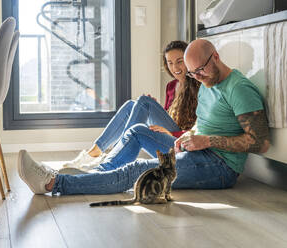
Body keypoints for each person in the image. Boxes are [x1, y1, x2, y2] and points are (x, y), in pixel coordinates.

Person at [17, 39, 270, 195]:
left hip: (220, 167)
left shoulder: (239, 89)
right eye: (193, 74)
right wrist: (190, 136)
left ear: (216, 57)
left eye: (200, 70)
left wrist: (208, 141)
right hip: (196, 149)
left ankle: (54, 183)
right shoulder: (204, 83)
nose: (197, 77)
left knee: (138, 170)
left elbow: (260, 142)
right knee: (136, 131)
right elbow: (202, 125)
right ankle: (87, 172)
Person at [62, 40, 201, 170]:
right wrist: (156, 110)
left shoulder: (199, 87)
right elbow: (170, 117)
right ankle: (93, 153)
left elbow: (199, 128)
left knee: (144, 102)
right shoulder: (171, 86)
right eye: (170, 63)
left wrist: (171, 132)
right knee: (131, 105)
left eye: (179, 61)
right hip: (168, 134)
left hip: (180, 141)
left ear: (188, 60)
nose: (174, 67)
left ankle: (113, 155)